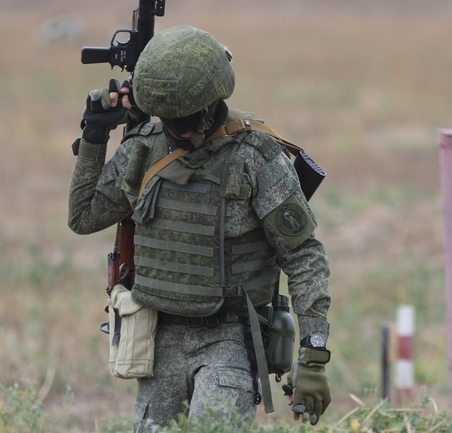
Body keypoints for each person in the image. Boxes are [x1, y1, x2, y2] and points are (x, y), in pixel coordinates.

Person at [68, 24, 332, 432]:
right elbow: (83, 216)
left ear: (210, 105)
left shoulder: (254, 157)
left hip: (229, 337)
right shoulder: (145, 147)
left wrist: (313, 354)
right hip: (158, 338)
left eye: (186, 118)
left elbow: (303, 255)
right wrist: (95, 134)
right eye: (168, 119)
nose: (179, 128)